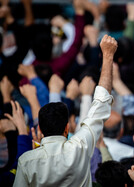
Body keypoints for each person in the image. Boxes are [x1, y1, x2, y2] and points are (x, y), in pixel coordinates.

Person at [11, 34, 118, 187]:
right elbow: (101, 103)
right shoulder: (79, 147)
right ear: (67, 128)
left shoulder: (27, 161)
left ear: (40, 129)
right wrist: (107, 56)